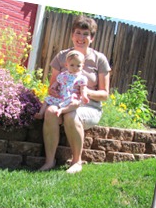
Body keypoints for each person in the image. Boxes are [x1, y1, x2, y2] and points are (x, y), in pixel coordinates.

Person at [39, 15, 111, 173]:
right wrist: (55, 91)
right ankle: (49, 161)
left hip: (89, 107)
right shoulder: (62, 56)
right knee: (50, 112)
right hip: (63, 103)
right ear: (72, 36)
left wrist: (85, 92)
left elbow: (105, 94)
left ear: (91, 38)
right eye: (78, 33)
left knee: (71, 115)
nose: (81, 37)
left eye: (86, 34)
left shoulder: (99, 59)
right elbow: (52, 86)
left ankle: (76, 161)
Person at [34, 50, 89, 119]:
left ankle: (62, 110)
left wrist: (84, 96)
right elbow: (57, 82)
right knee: (47, 100)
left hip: (71, 97)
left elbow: (83, 89)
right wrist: (53, 87)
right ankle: (40, 113)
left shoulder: (81, 78)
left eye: (78, 66)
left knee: (76, 104)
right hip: (61, 96)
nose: (75, 68)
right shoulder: (63, 75)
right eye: (72, 65)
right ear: (66, 65)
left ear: (82, 66)